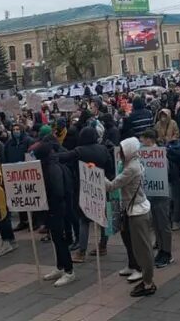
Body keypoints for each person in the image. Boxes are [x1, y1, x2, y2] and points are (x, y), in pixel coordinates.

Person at [105, 137, 156, 297]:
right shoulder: (133, 163)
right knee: (140, 248)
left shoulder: (131, 168)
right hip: (136, 209)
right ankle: (147, 280)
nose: (119, 153)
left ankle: (148, 283)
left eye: (122, 150)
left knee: (143, 249)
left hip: (137, 212)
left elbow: (112, 185)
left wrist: (97, 174)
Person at [58, 126, 114, 263]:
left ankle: (81, 251)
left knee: (84, 220)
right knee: (104, 219)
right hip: (102, 186)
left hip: (85, 188)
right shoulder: (103, 149)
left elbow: (64, 157)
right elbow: (110, 168)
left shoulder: (79, 151)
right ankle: (103, 246)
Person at [32, 141, 76, 287]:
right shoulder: (51, 165)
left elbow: (58, 191)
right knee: (55, 239)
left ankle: (69, 271)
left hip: (57, 208)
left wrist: (49, 203)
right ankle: (60, 266)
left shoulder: (52, 168)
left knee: (60, 239)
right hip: (54, 208)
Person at [138, 129, 174, 268]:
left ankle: (167, 252)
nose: (142, 142)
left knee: (163, 223)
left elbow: (165, 171)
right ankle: (161, 249)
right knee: (156, 224)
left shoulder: (159, 154)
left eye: (143, 139)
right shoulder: (145, 154)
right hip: (151, 193)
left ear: (149, 139)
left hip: (161, 194)